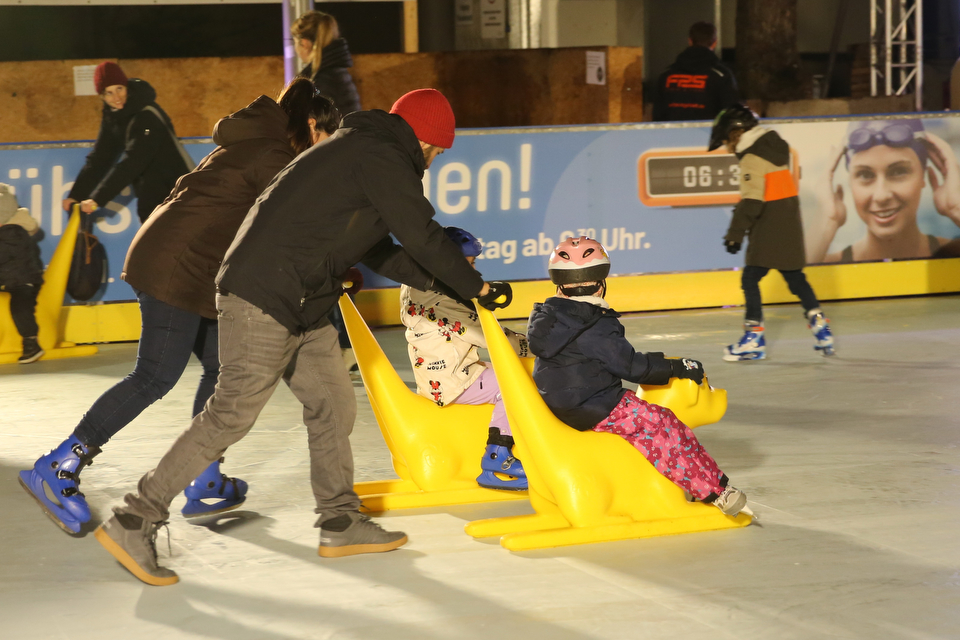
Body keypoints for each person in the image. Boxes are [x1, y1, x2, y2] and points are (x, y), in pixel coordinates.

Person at [92, 88, 514, 586]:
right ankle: (134, 519)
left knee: (334, 404)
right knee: (231, 412)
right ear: (425, 138)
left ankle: (339, 520)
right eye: (438, 150)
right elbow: (422, 235)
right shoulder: (381, 156)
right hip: (264, 293)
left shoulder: (359, 151)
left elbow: (379, 249)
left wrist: (452, 288)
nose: (436, 159)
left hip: (303, 302)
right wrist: (479, 287)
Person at [18, 79, 340, 535]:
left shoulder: (256, 142)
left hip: (192, 265)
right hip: (176, 266)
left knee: (219, 368)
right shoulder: (274, 155)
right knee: (154, 375)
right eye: (326, 141)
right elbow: (302, 222)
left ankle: (203, 476)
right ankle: (60, 464)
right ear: (311, 126)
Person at [527, 236, 748, 516]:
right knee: (663, 425)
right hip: (593, 405)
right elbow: (631, 368)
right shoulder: (594, 322)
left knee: (646, 421)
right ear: (600, 282)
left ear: (560, 285)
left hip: (560, 404)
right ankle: (716, 491)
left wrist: (656, 360)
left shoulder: (549, 316)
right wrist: (677, 367)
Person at [400, 227, 530, 491]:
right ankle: (498, 456)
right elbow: (495, 341)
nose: (475, 273)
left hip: (441, 373)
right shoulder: (448, 307)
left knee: (504, 371)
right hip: (455, 381)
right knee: (517, 384)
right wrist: (534, 345)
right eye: (468, 265)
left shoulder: (415, 289)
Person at [708, 104, 835, 360]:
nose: (726, 146)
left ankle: (753, 338)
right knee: (796, 279)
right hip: (788, 226)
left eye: (726, 139)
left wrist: (735, 234)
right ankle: (822, 328)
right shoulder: (775, 149)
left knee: (750, 279)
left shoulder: (752, 158)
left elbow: (752, 202)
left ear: (735, 133)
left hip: (768, 229)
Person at [807, 119, 960, 263]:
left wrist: (956, 208)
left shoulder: (954, 255)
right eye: (865, 175)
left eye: (899, 172)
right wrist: (827, 221)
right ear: (850, 182)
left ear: (923, 175)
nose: (881, 196)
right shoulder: (827, 265)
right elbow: (789, 287)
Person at [63, 61, 193, 225]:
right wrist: (77, 194)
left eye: (119, 88)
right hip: (151, 196)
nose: (116, 97)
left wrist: (97, 199)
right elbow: (100, 159)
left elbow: (134, 161)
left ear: (127, 87)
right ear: (101, 96)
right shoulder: (114, 117)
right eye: (109, 93)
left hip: (181, 193)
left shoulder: (147, 115)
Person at [652, 21, 739, 122]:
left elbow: (657, 114)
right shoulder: (721, 75)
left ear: (690, 41)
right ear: (715, 42)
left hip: (672, 134)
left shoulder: (666, 75)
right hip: (709, 134)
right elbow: (730, 112)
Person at [0, 183, 44, 364]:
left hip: (23, 280)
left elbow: (6, 256)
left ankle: (31, 342)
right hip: (7, 278)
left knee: (20, 307)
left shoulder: (14, 231)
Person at [292, 10, 361, 116]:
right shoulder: (337, 72)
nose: (295, 49)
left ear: (304, 44)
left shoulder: (319, 82)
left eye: (295, 43)